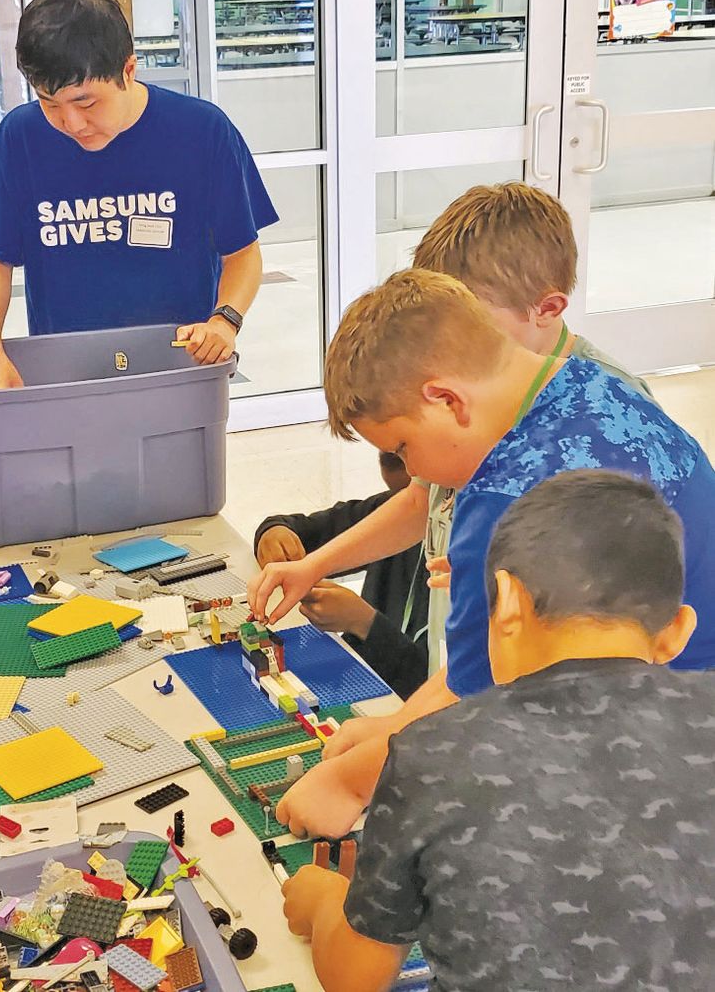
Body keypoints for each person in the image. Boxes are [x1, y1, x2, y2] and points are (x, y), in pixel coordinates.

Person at [266, 269, 715, 839]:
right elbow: (481, 660)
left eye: (402, 449)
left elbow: (478, 701)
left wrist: (350, 784)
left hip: (651, 748)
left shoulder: (504, 493)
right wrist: (396, 727)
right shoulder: (592, 383)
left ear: (448, 399)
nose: (415, 475)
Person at [281, 470, 714, 992]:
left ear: (505, 601)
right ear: (676, 633)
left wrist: (322, 902)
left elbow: (355, 979)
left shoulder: (431, 751)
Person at [251, 182, 651, 688]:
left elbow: (613, 597)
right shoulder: (479, 399)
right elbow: (425, 501)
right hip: (465, 668)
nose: (450, 339)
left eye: (470, 318)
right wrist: (315, 563)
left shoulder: (603, 422)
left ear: (547, 308)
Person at [0, 0, 276, 388]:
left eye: (87, 103)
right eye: (50, 103)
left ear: (128, 70)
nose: (71, 124)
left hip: (176, 368)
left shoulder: (201, 132)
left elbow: (243, 253)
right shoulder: (21, 137)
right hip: (63, 371)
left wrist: (224, 321)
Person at [254, 452, 430, 698]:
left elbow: (431, 682)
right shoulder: (392, 505)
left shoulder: (473, 562)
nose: (405, 499)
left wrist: (364, 623)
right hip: (361, 678)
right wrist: (273, 533)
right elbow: (311, 531)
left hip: (403, 701)